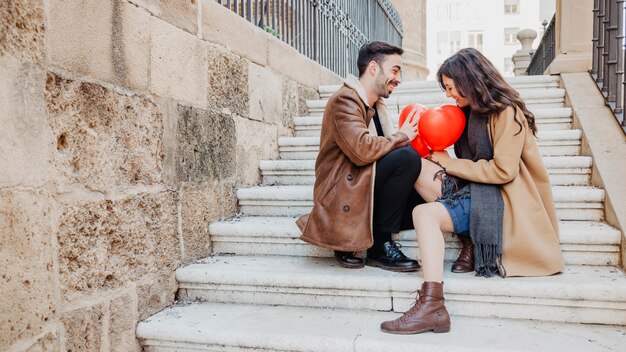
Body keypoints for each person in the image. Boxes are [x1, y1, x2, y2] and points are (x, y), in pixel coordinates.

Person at [380, 48, 564, 334]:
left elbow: (504, 172)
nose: (449, 95)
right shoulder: (469, 114)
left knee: (423, 214)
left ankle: (433, 305)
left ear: (469, 80)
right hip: (477, 188)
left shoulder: (507, 113)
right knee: (416, 163)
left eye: (451, 88)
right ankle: (468, 239)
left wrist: (452, 164)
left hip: (501, 198)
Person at [295, 41, 425, 272]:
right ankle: (380, 245)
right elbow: (361, 151)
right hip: (342, 190)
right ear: (374, 68)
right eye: (394, 70)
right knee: (406, 158)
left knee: (424, 197)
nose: (399, 79)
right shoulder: (345, 100)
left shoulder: (376, 106)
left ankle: (376, 233)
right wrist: (400, 136)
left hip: (362, 182)